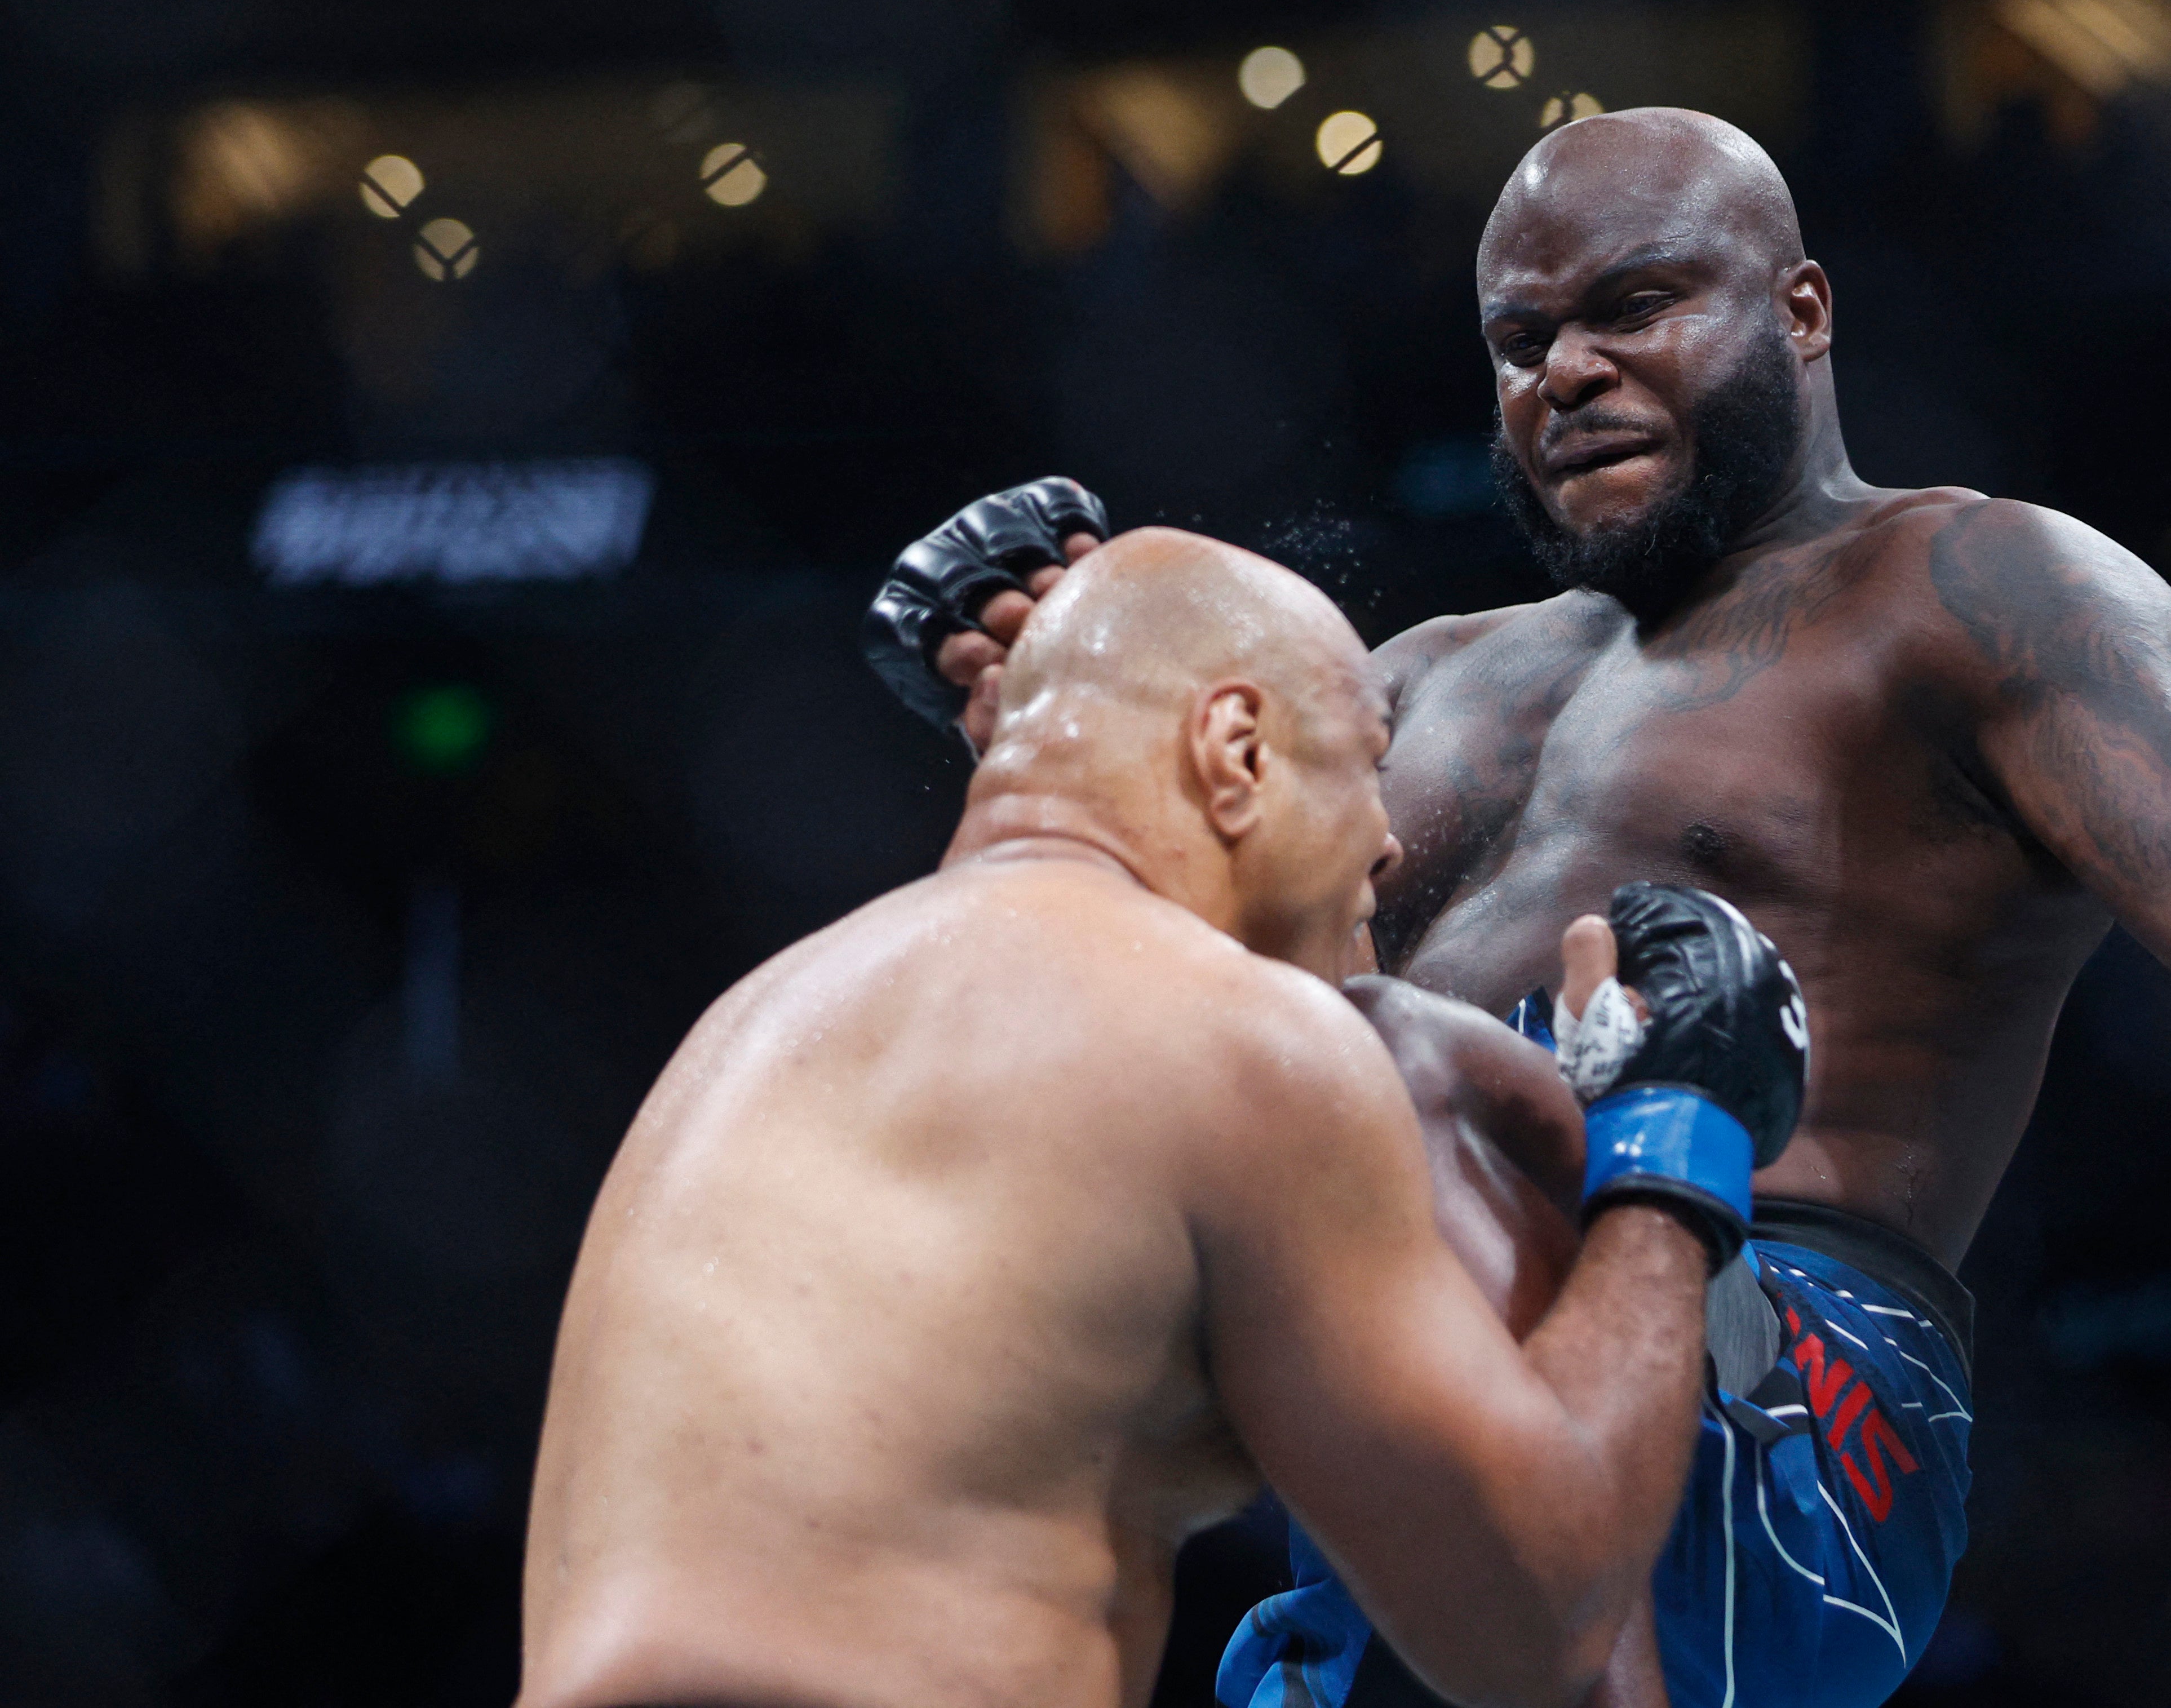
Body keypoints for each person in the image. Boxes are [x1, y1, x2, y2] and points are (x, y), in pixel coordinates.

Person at [864, 110, 2171, 1708]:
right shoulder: (1409, 680)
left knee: (1366, 1051)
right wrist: (1064, 723)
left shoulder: (1957, 587)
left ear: (1797, 311)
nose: (1565, 369)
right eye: (1518, 339)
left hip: (1773, 1375)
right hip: (1386, 1391)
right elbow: (1170, 1008)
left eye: (1631, 307)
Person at [520, 526, 1814, 1708]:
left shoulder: (760, 1020)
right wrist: (1673, 1133)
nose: (1387, 846)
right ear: (1237, 751)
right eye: (1368, 762)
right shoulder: (1248, 1039)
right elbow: (1533, 1619)